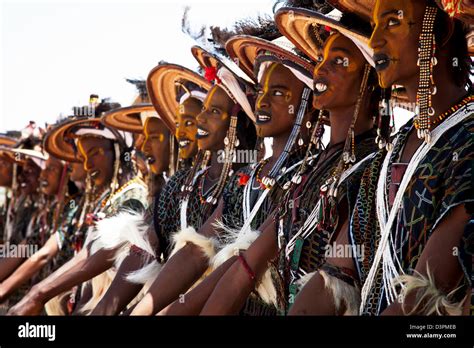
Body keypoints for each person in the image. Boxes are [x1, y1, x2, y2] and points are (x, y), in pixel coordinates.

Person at [293, 0, 473, 316]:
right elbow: (339, 270)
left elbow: (427, 294)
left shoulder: (468, 138)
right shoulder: (388, 155)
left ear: (439, 30)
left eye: (391, 22)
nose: (374, 40)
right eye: (375, 26)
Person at [8, 99, 149, 315]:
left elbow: (98, 258)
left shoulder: (135, 197)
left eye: (94, 154)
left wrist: (37, 294)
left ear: (118, 153)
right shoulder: (97, 201)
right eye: (83, 157)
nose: (87, 165)